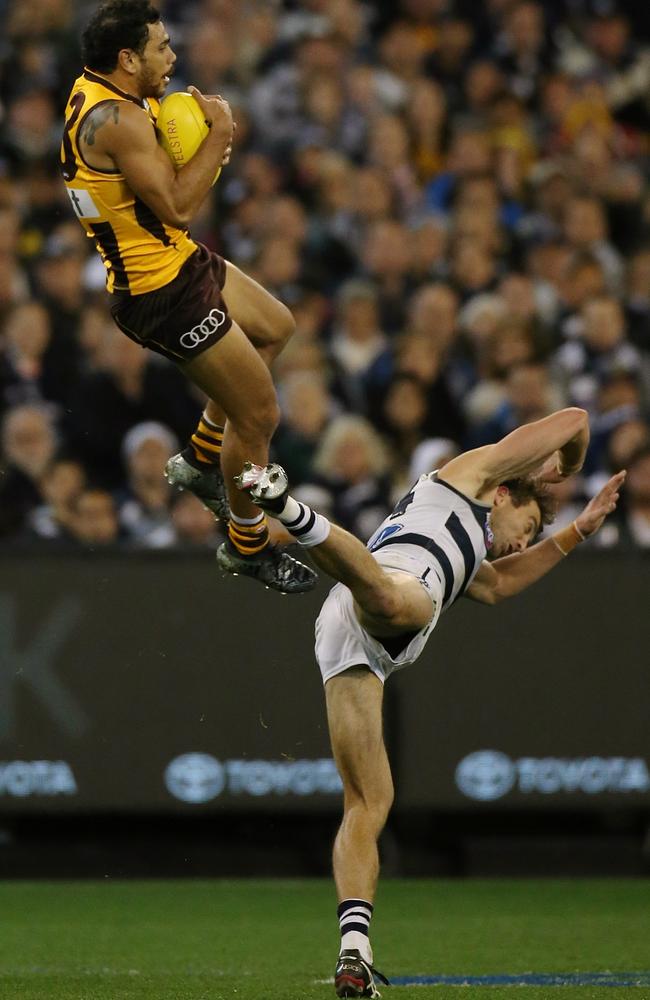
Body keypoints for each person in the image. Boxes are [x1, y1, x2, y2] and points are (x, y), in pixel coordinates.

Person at [235, 407, 625, 998]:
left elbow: (502, 586)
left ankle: (354, 951)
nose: (526, 539)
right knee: (396, 602)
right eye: (531, 524)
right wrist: (562, 473)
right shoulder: (468, 477)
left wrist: (578, 531)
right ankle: (288, 507)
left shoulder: (471, 553)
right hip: (387, 593)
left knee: (370, 799)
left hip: (353, 636)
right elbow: (574, 418)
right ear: (505, 494)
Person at [59, 0, 315, 593]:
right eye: (161, 48)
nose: (172, 58)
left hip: (174, 261)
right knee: (258, 416)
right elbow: (176, 204)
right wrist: (218, 136)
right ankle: (246, 545)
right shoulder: (118, 121)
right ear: (127, 59)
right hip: (160, 293)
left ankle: (202, 460)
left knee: (276, 326)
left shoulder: (93, 89)